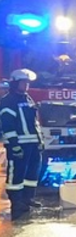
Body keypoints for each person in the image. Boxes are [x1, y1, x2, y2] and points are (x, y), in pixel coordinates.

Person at [1, 69, 44, 220]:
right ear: (14, 83)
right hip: (18, 144)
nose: (26, 85)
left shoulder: (28, 99)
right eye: (23, 83)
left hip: (32, 143)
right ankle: (16, 201)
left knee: (32, 172)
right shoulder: (7, 101)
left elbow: (35, 122)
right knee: (16, 173)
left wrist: (40, 140)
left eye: (27, 83)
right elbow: (7, 125)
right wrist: (14, 145)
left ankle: (27, 198)